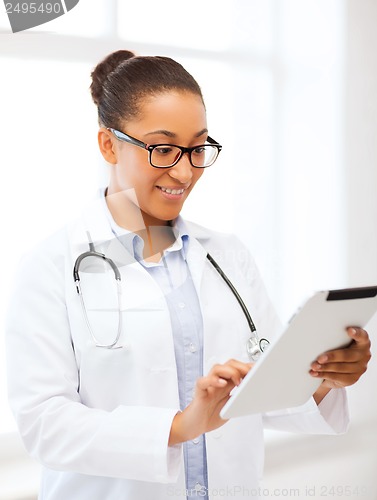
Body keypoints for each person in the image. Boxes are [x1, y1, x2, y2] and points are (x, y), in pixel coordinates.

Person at [6, 50, 371, 500]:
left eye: (197, 148)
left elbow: (266, 389)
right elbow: (46, 426)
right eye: (163, 149)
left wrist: (324, 378)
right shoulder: (49, 267)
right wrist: (181, 426)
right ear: (108, 145)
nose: (185, 171)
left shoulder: (227, 255)